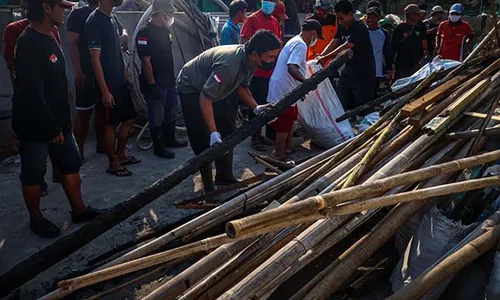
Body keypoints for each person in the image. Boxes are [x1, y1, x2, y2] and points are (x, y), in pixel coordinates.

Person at [12, 0, 101, 238]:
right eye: (60, 7)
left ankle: (79, 209)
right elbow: (31, 92)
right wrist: (51, 128)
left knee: (71, 164)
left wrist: (63, 123)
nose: (65, 11)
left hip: (59, 123)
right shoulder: (29, 43)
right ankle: (36, 219)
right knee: (34, 173)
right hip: (36, 124)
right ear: (46, 7)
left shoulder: (50, 36)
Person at [177, 30, 281, 192]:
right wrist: (212, 131)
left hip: (217, 88)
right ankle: (208, 183)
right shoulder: (228, 66)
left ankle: (224, 176)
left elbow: (241, 85)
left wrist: (255, 107)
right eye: (270, 57)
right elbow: (205, 97)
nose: (272, 61)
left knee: (227, 130)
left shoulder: (251, 62)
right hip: (193, 88)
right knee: (202, 137)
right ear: (255, 54)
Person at [3, 17, 63, 197]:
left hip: (53, 95)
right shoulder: (16, 31)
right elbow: (12, 66)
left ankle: (58, 171)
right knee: (35, 147)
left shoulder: (52, 27)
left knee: (56, 132)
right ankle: (38, 181)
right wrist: (22, 95)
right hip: (32, 95)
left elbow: (57, 59)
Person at [86, 0, 140, 176]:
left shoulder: (112, 17)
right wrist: (104, 91)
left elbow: (121, 33)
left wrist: (123, 35)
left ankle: (121, 155)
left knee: (130, 117)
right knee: (109, 125)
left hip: (120, 81)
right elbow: (95, 59)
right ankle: (113, 163)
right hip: (108, 84)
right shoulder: (95, 21)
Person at [136, 0, 187, 159]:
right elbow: (146, 61)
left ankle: (170, 139)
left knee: (171, 110)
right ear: (161, 13)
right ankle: (159, 146)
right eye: (169, 13)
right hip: (155, 82)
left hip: (169, 79)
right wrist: (152, 84)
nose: (171, 17)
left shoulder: (165, 31)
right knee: (156, 114)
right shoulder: (144, 32)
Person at [268, 20, 323, 160]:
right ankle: (278, 154)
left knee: (292, 117)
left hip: (286, 86)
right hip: (283, 88)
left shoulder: (296, 41)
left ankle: (288, 147)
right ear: (313, 33)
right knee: (284, 123)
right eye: (316, 37)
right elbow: (292, 67)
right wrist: (306, 83)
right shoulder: (300, 45)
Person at [317, 0, 375, 111]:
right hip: (349, 70)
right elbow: (334, 42)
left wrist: (326, 58)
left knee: (363, 106)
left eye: (341, 18)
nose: (339, 21)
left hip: (364, 73)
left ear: (350, 14)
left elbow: (346, 46)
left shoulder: (360, 28)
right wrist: (321, 56)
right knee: (340, 99)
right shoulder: (342, 26)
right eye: (338, 18)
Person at [67, 0, 106, 160]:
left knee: (102, 110)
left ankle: (102, 144)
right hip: (86, 72)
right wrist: (77, 70)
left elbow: (118, 31)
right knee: (83, 113)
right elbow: (72, 43)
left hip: (103, 73)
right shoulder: (78, 14)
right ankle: (78, 151)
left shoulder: (106, 14)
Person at [240, 0, 281, 151]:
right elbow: (244, 42)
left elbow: (278, 45)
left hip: (270, 71)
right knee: (255, 105)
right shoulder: (252, 20)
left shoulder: (275, 21)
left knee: (266, 103)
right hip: (255, 72)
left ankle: (261, 133)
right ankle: (255, 138)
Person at [391, 4, 429, 80]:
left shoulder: (418, 27)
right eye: (417, 14)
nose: (419, 16)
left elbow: (423, 43)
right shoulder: (400, 28)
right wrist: (391, 64)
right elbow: (393, 47)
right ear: (411, 15)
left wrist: (424, 56)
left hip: (415, 64)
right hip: (402, 64)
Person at [366, 6, 393, 95]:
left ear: (378, 18)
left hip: (376, 71)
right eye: (369, 17)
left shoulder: (384, 33)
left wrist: (389, 69)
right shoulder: (361, 31)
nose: (370, 20)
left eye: (373, 17)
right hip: (361, 70)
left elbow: (387, 52)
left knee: (373, 95)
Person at [305, 0, 337, 64]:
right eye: (324, 10)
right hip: (314, 59)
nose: (326, 12)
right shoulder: (310, 21)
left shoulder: (333, 19)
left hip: (329, 57)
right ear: (317, 8)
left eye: (328, 9)